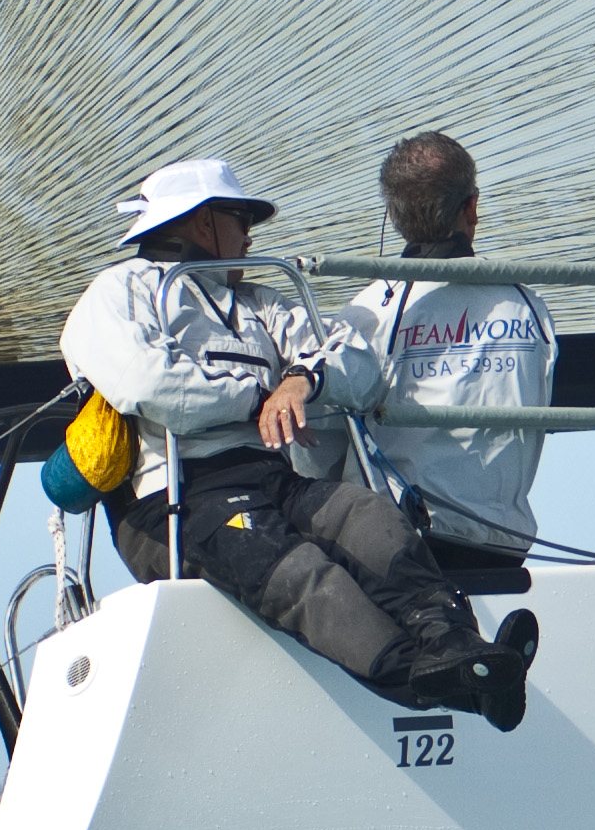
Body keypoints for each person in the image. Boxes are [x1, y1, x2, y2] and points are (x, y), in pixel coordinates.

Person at [64, 158, 538, 728]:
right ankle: (426, 680)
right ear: (205, 223)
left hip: (268, 477)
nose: (250, 236)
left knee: (367, 515)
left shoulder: (263, 302)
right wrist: (261, 393)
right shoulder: (118, 292)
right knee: (303, 573)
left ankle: (460, 646)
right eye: (242, 220)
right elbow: (151, 387)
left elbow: (359, 364)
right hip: (175, 499)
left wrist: (303, 379)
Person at [320, 132, 555, 590]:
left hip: (396, 547)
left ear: (393, 214)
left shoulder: (368, 313)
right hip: (504, 545)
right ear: (472, 207)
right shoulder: (528, 300)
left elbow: (322, 442)